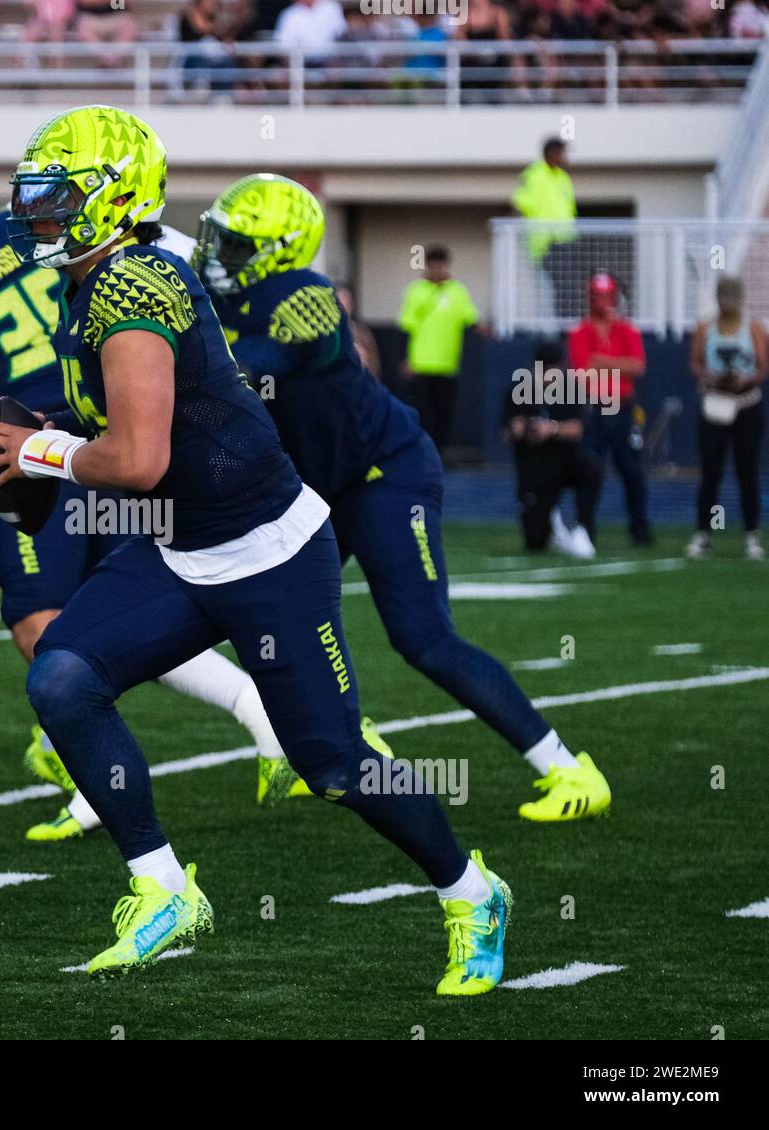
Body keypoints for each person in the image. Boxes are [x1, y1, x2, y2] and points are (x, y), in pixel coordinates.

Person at [0, 107, 512, 992]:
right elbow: (126, 427)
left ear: (113, 201)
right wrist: (48, 429)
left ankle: (471, 891)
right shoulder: (93, 277)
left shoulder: (134, 286)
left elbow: (139, 462)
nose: (39, 213)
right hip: (184, 548)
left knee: (334, 763)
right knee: (64, 678)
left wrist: (34, 450)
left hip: (268, 551)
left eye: (59, 197)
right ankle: (161, 889)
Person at [0, 161, 288, 832]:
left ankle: (126, 765)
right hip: (62, 425)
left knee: (45, 620)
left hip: (36, 441)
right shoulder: (15, 229)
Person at [193, 172, 610, 821]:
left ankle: (567, 770)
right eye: (218, 241)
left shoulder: (305, 295)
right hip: (323, 486)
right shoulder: (221, 302)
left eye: (236, 246)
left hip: (384, 472)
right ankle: (349, 742)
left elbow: (251, 368)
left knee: (423, 638)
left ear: (277, 250)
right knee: (264, 612)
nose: (218, 258)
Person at [567, 271, 652, 545]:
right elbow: (582, 372)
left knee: (632, 471)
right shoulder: (580, 331)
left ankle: (639, 528)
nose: (601, 301)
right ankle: (585, 529)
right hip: (594, 409)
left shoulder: (626, 329)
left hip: (623, 409)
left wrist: (602, 361)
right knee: (591, 469)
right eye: (597, 295)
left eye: (606, 295)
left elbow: (638, 366)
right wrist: (617, 365)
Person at [686, 276, 767, 560]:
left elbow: (762, 367)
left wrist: (745, 380)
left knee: (747, 471)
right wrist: (713, 377)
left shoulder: (753, 328)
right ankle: (703, 533)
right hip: (715, 404)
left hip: (746, 403)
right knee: (711, 471)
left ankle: (751, 534)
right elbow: (696, 363)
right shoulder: (705, 327)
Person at [503, 338, 602, 557]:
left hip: (563, 459)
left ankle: (582, 526)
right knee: (535, 542)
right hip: (533, 467)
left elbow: (579, 427)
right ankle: (549, 518)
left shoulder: (570, 388)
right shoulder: (518, 389)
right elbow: (505, 430)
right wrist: (518, 429)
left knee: (592, 468)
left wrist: (552, 429)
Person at [397, 244, 479, 456]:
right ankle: (423, 451)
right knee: (424, 411)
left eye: (440, 265)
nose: (436, 269)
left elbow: (471, 319)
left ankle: (439, 452)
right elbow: (406, 328)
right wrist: (407, 359)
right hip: (421, 363)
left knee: (444, 411)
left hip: (448, 364)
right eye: (432, 265)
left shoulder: (458, 291)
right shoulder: (416, 291)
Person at [513, 137, 579, 320]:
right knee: (562, 284)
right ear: (551, 154)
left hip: (565, 241)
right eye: (562, 153)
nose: (565, 157)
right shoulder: (534, 174)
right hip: (545, 243)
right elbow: (519, 203)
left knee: (567, 286)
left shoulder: (563, 178)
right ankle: (562, 327)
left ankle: (566, 325)